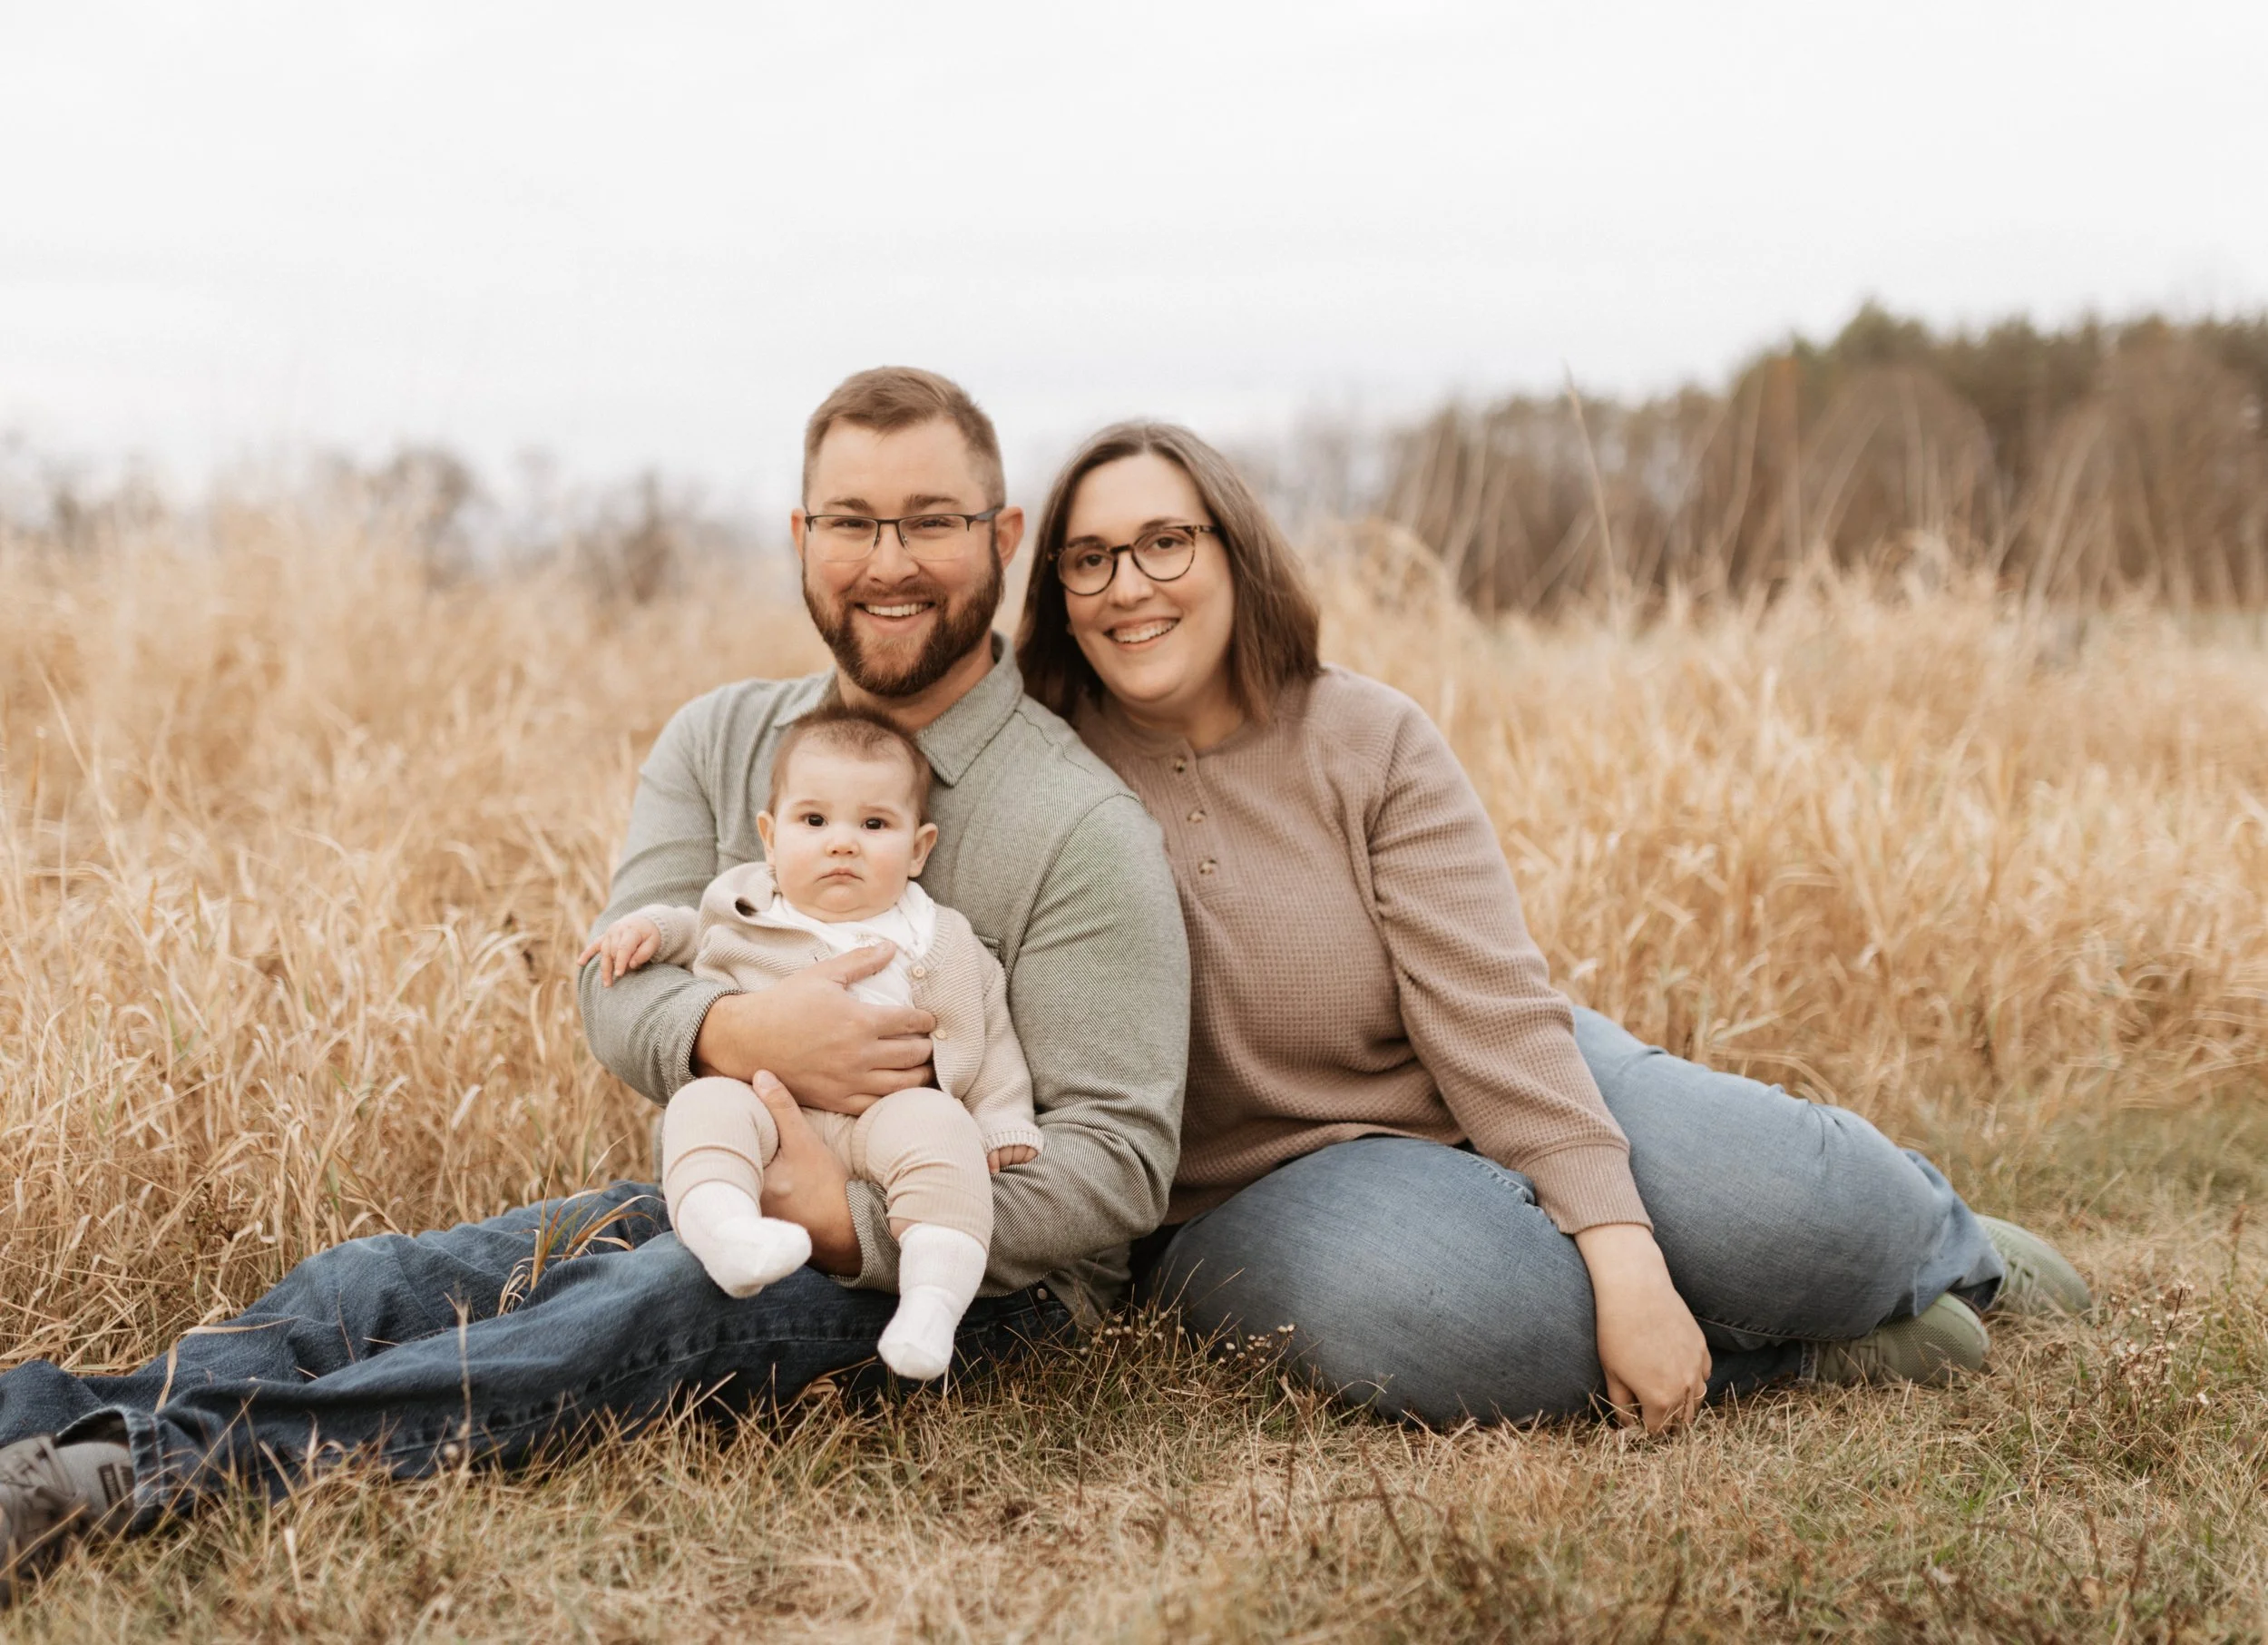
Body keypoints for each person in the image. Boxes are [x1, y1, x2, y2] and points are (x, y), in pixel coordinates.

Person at [0, 368, 1190, 1604]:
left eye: (931, 520)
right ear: (801, 538)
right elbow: (612, 993)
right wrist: (742, 1028)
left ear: (1001, 539)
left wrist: (849, 1219)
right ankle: (29, 1425)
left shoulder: (1079, 820)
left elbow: (1120, 1159)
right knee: (379, 1283)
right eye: (850, 521)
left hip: (973, 1279)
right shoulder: (723, 739)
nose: (887, 560)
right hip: (727, 1186)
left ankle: (131, 1473)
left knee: (626, 1315)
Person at [1014, 420, 2092, 1434]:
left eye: (1165, 543)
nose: (1129, 586)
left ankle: (1950, 1249)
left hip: (1499, 1065)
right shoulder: (1046, 777)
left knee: (1800, 1211)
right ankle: (1792, 1356)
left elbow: (1487, 1008)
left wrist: (1618, 1241)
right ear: (1058, 592)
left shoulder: (1365, 732)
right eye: (1090, 558)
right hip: (1248, 1187)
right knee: (1459, 1310)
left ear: (1234, 551)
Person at [584, 701, 1044, 1379]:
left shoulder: (942, 937)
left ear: (919, 849)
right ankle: (730, 1232)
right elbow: (687, 928)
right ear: (770, 838)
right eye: (815, 820)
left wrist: (1003, 1116)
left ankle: (931, 1301)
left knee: (946, 1135)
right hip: (766, 1108)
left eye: (875, 823)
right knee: (703, 1108)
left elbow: (991, 1033)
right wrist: (645, 928)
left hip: (885, 1121)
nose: (842, 842)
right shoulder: (746, 900)